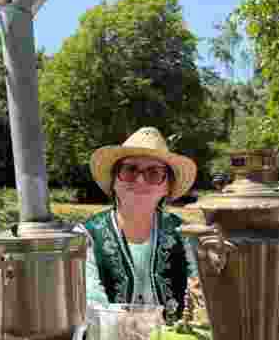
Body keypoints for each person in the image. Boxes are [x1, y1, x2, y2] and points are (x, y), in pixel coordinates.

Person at [81, 126, 200, 322]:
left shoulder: (185, 234)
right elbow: (90, 303)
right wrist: (127, 324)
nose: (140, 180)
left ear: (167, 187)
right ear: (114, 181)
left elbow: (201, 296)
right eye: (129, 170)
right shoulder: (86, 235)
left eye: (154, 173)